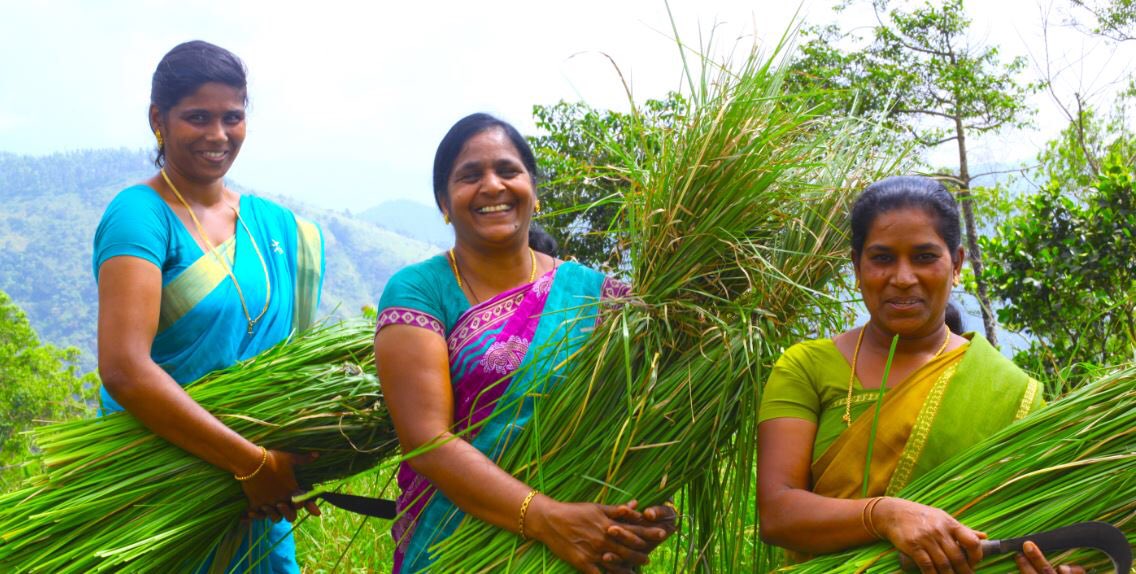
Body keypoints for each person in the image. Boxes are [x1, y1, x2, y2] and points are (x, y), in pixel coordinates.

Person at [373, 113, 676, 573]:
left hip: (584, 551)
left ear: (533, 189)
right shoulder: (420, 290)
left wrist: (648, 506)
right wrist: (549, 520)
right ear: (443, 202)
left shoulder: (604, 299)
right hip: (453, 548)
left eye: (507, 171)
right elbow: (427, 441)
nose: (492, 186)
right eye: (470, 175)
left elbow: (639, 425)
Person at [756, 176, 1083, 574]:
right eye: (882, 258)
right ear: (857, 266)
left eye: (925, 257)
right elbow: (777, 513)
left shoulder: (1010, 391)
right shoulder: (805, 367)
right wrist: (884, 514)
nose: (904, 277)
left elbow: (1037, 529)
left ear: (957, 264)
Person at [94, 40, 323, 573]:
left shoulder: (275, 227)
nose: (218, 135)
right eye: (198, 117)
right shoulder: (140, 216)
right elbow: (125, 370)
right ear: (159, 119)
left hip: (256, 502)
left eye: (232, 117)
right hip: (161, 484)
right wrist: (251, 463)